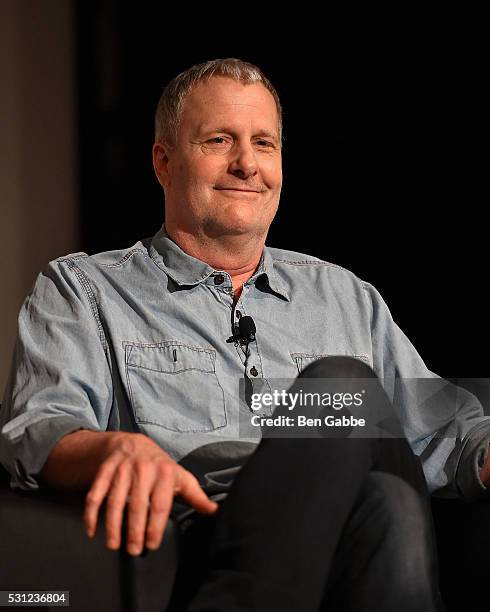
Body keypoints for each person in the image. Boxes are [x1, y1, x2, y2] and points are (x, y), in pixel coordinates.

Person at [1, 58, 489, 611]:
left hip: (339, 553)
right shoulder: (84, 289)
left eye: (264, 143)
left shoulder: (346, 297)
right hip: (201, 540)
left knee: (347, 405)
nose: (246, 164)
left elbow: (449, 429)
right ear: (163, 162)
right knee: (386, 499)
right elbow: (36, 427)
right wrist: (113, 445)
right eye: (218, 140)